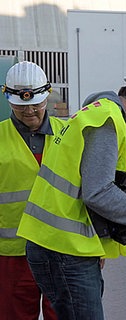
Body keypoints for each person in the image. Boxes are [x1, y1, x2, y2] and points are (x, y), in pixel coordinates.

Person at [16, 62, 126, 319]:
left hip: (59, 245)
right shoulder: (107, 121)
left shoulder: (96, 112)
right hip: (64, 250)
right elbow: (99, 193)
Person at [0, 61, 60, 320]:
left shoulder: (68, 135)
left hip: (61, 250)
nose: (30, 111)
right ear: (9, 99)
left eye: (36, 103)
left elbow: (86, 195)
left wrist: (96, 247)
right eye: (21, 106)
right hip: (12, 255)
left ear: (47, 96)